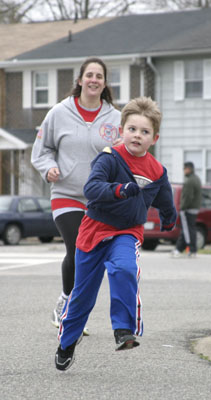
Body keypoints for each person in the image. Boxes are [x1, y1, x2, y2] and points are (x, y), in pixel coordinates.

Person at [54, 96, 177, 371]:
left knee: (124, 268)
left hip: (127, 232)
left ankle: (124, 329)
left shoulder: (157, 170)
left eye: (144, 132)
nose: (137, 136)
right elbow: (91, 188)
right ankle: (67, 342)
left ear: (154, 138)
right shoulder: (110, 157)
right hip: (95, 231)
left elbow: (164, 195)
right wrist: (119, 190)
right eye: (132, 129)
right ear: (122, 130)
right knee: (82, 296)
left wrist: (169, 216)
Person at [31, 57, 121, 334]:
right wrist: (50, 169)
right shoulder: (59, 113)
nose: (94, 80)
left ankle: (71, 305)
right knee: (78, 246)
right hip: (66, 193)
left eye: (99, 76)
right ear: (80, 80)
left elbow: (124, 157)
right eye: (89, 75)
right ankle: (67, 305)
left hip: (99, 199)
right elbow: (41, 150)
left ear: (105, 83)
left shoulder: (116, 118)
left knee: (90, 255)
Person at [172, 161, 202, 258]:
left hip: (188, 209)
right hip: (194, 208)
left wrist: (182, 208)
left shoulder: (189, 181)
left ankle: (189, 250)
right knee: (190, 229)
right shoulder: (197, 179)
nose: (184, 171)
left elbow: (187, 196)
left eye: (184, 169)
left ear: (189, 169)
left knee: (186, 230)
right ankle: (181, 249)